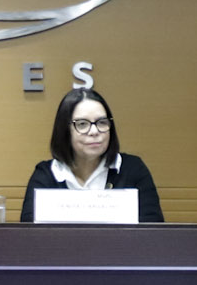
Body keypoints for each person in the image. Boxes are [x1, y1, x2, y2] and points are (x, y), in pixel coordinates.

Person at [22, 87, 164, 222]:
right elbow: (27, 234)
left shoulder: (133, 170)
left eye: (102, 122)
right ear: (64, 130)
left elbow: (153, 232)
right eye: (82, 124)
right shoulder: (46, 175)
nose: (94, 131)